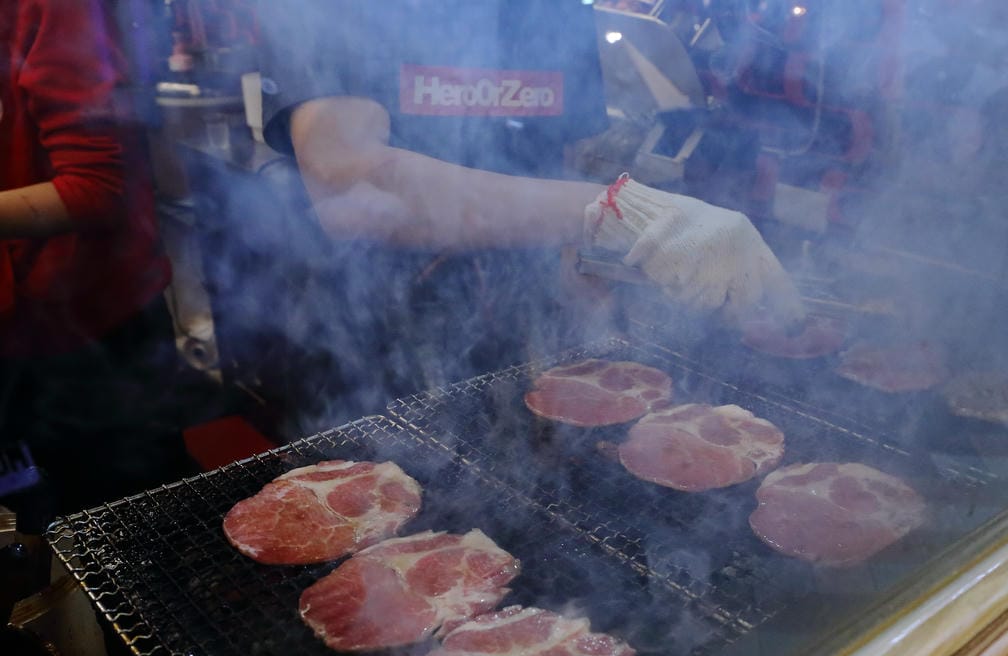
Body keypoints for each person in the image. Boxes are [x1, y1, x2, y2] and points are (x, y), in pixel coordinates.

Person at [255, 0, 806, 393]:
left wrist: (584, 286)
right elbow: (355, 187)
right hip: (370, 350)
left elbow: (554, 159)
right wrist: (625, 213)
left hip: (512, 343)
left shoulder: (552, 10)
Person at [0, 0, 197, 517]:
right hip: (18, 331)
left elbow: (98, 187)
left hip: (93, 334)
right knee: (40, 524)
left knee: (141, 525)